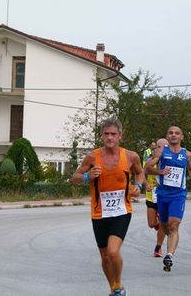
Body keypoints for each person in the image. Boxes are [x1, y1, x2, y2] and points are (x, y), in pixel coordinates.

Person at [71, 118, 145, 296]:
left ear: (120, 135)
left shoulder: (130, 156)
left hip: (122, 210)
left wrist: (138, 186)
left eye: (113, 134)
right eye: (106, 134)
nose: (110, 137)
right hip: (99, 213)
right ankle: (113, 288)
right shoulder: (92, 157)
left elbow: (140, 172)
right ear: (102, 136)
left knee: (113, 252)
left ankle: (118, 284)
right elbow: (74, 178)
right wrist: (88, 176)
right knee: (104, 256)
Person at [145, 126, 191, 272]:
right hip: (162, 195)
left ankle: (169, 255)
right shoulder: (161, 151)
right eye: (171, 133)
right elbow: (148, 168)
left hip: (179, 195)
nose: (174, 135)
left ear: (182, 137)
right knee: (164, 225)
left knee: (173, 225)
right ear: (167, 136)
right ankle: (169, 243)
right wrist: (159, 171)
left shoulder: (187, 154)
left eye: (177, 133)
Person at [144, 138, 168, 257]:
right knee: (151, 224)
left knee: (164, 224)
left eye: (162, 147)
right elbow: (143, 173)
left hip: (164, 196)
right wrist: (145, 183)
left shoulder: (169, 161)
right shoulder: (149, 161)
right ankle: (157, 222)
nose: (159, 150)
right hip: (151, 195)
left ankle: (158, 248)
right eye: (157, 148)